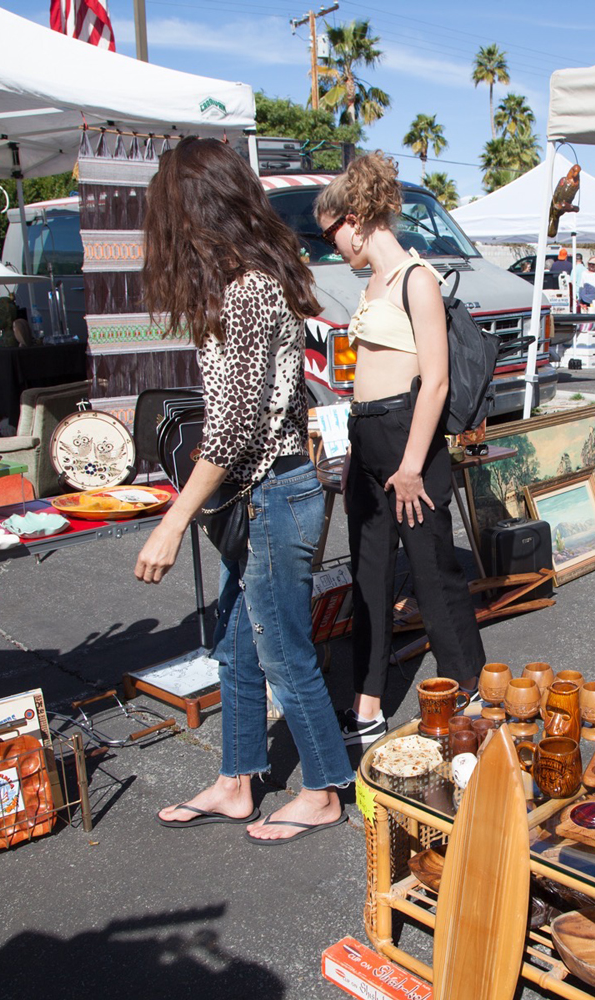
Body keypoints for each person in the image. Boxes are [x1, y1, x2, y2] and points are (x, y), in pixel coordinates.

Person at [135, 137, 351, 843]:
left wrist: (172, 522)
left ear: (193, 212)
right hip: (268, 495)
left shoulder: (249, 292)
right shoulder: (246, 286)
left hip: (276, 497)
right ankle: (236, 780)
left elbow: (230, 434)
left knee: (284, 649)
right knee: (235, 648)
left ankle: (322, 789)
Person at [314, 153, 486, 747]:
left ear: (356, 218)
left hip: (408, 437)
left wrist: (412, 465)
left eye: (331, 230)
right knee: (370, 573)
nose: (332, 243)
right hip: (367, 435)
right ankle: (367, 708)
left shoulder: (419, 279)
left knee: (433, 570)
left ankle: (469, 694)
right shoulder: (373, 283)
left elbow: (434, 380)